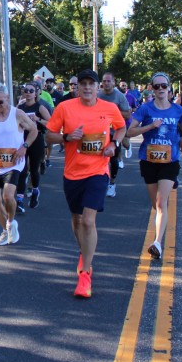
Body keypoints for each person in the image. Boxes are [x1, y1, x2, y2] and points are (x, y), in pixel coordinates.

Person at [45, 69, 126, 299]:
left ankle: (85, 273)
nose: (87, 88)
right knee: (77, 219)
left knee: (89, 221)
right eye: (83, 84)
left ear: (98, 87)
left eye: (92, 84)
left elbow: (121, 127)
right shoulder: (65, 108)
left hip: (98, 171)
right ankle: (84, 252)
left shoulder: (109, 108)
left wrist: (114, 145)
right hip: (72, 173)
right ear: (77, 87)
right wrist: (67, 137)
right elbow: (48, 135)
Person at [127, 72, 182, 259]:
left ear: (169, 88)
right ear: (152, 89)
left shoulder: (177, 110)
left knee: (161, 202)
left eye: (164, 85)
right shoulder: (145, 109)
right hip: (149, 161)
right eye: (157, 86)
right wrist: (150, 126)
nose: (161, 89)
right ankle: (158, 233)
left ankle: (157, 243)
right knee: (156, 204)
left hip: (169, 161)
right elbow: (130, 132)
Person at [0, 85, 38, 246]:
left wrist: (24, 147)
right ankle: (5, 231)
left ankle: (11, 222)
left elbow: (34, 130)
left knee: (7, 195)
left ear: (8, 99)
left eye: (0, 102)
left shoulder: (17, 114)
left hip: (14, 161)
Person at [98, 72, 133, 198]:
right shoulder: (98, 95)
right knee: (99, 157)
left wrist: (112, 112)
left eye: (109, 81)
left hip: (115, 132)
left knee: (113, 159)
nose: (106, 83)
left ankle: (112, 184)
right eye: (104, 81)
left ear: (113, 82)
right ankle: (100, 181)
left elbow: (127, 114)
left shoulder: (119, 96)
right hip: (99, 132)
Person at [15, 84, 50, 211]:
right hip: (22, 139)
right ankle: (19, 200)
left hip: (36, 139)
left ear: (36, 93)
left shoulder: (40, 107)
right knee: (22, 170)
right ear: (23, 93)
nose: (28, 93)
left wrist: (37, 119)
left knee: (34, 169)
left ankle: (35, 191)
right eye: (26, 90)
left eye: (31, 91)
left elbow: (52, 123)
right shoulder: (20, 107)